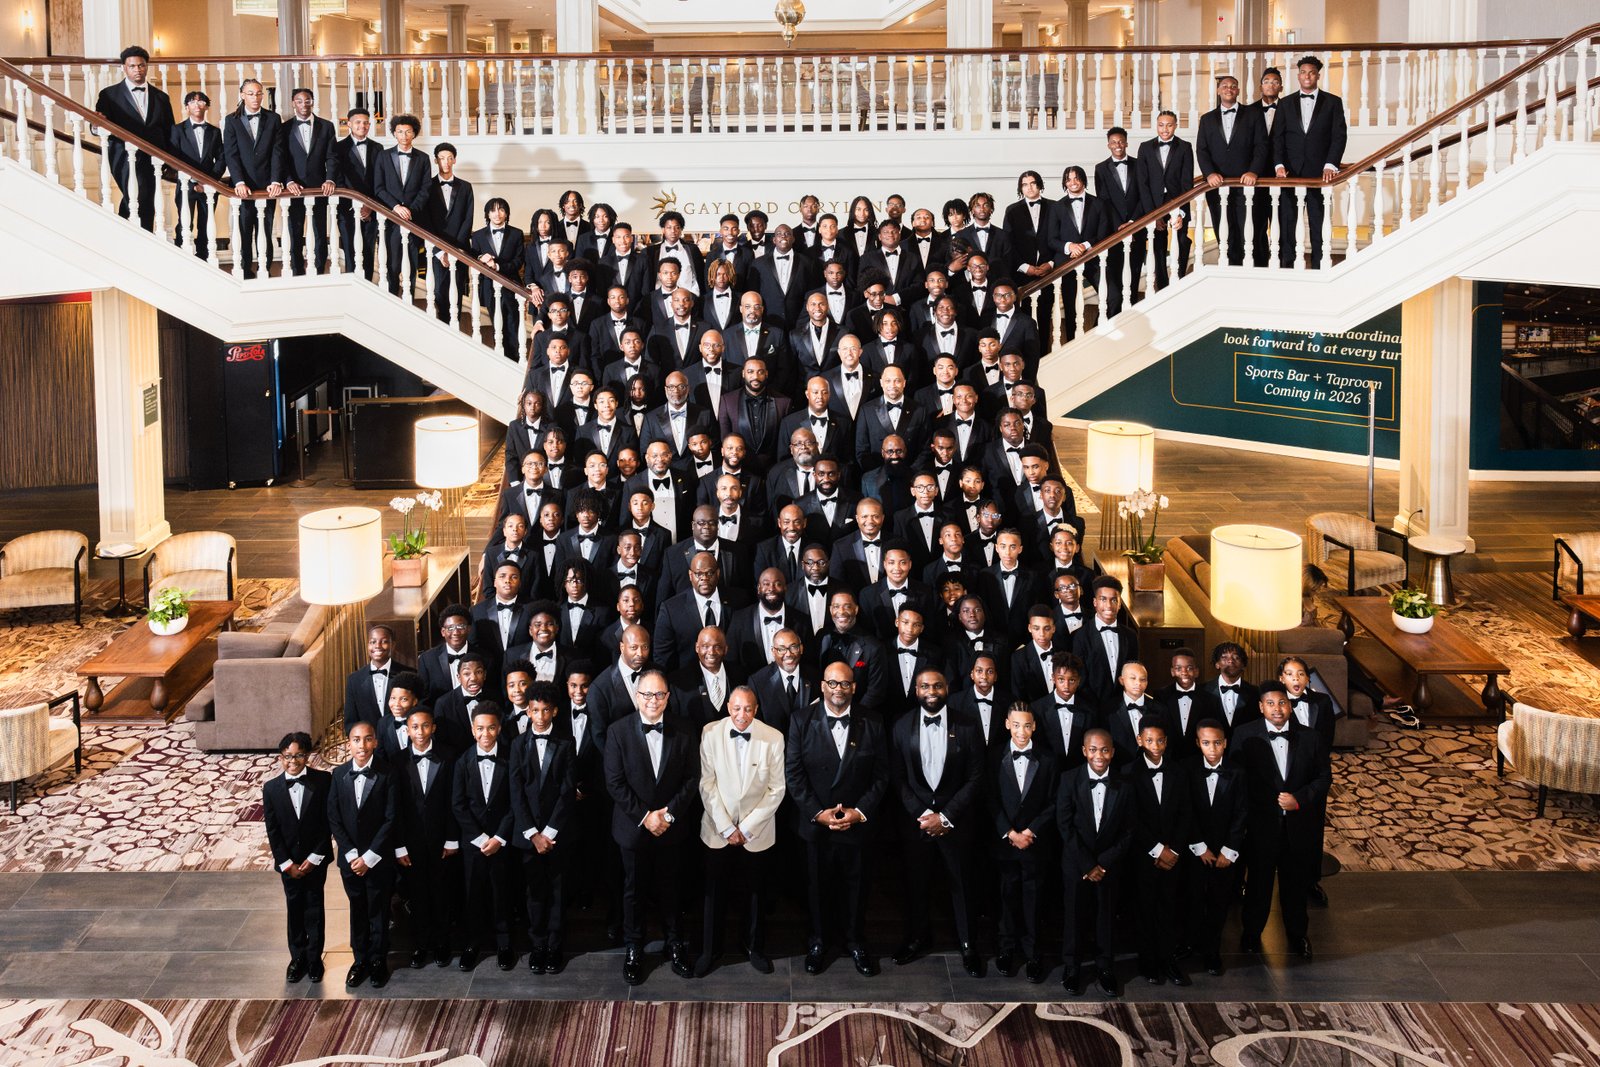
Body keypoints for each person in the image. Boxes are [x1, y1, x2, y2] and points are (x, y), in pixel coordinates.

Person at [786, 661, 889, 977]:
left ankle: (855, 942)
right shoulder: (801, 720)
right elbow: (794, 774)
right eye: (832, 683)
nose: (838, 689)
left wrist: (859, 812)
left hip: (856, 825)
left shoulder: (873, 721)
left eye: (845, 683)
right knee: (816, 888)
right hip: (817, 825)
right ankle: (818, 942)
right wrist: (818, 813)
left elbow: (881, 775)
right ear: (822, 686)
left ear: (854, 687)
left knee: (857, 888)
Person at [605, 669, 701, 985]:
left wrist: (668, 815)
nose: (653, 700)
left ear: (668, 697)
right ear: (637, 697)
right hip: (633, 829)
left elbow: (692, 778)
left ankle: (675, 944)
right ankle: (634, 948)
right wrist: (646, 817)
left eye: (659, 694)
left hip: (671, 828)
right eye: (647, 694)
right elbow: (615, 782)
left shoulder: (685, 730)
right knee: (633, 891)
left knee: (671, 888)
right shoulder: (617, 731)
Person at [889, 668, 986, 977]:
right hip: (916, 823)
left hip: (956, 821)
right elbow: (898, 778)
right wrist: (922, 815)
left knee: (962, 885)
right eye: (925, 686)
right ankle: (917, 938)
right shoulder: (901, 725)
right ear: (916, 690)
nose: (931, 691)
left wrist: (945, 816)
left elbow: (976, 777)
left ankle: (968, 944)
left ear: (947, 689)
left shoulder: (968, 725)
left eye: (937, 686)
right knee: (916, 883)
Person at [1232, 682, 1331, 960]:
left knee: (1295, 886)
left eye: (1282, 703)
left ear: (1289, 705)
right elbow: (1237, 781)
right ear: (1261, 707)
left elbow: (1324, 778)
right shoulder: (1243, 734)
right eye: (1271, 704)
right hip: (1261, 827)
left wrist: (1298, 799)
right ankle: (1251, 934)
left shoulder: (1311, 737)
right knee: (1258, 885)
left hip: (1298, 828)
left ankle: (1298, 935)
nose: (1277, 709)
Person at [695, 685, 787, 975]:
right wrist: (726, 827)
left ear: (756, 709)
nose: (742, 715)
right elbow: (706, 784)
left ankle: (753, 947)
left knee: (755, 893)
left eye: (748, 709)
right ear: (728, 708)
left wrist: (746, 828)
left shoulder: (773, 738)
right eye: (736, 708)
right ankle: (710, 950)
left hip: (757, 831)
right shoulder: (710, 733)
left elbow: (777, 789)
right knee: (713, 892)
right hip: (717, 828)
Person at [1057, 727, 1131, 997]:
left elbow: (1128, 830)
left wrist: (1104, 863)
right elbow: (1064, 824)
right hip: (1077, 863)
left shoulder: (1124, 784)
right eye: (1093, 749)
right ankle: (1072, 967)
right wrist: (1087, 864)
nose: (1099, 755)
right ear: (1084, 751)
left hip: (1109, 864)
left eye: (1104, 750)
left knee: (1105, 915)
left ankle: (1105, 967)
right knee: (1074, 914)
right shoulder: (1069, 779)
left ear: (1112, 753)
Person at [510, 681, 577, 974]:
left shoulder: (566, 742)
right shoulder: (517, 744)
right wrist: (533, 833)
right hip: (528, 836)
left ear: (554, 711)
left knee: (558, 890)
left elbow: (567, 790)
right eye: (535, 710)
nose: (540, 716)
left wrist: (549, 832)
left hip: (557, 834)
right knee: (534, 891)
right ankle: (537, 944)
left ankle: (555, 945)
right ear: (527, 711)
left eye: (545, 710)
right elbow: (515, 792)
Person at [989, 704, 1057, 982]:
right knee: (1006, 896)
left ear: (1034, 727)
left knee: (1034, 899)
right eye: (1016, 725)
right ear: (1007, 724)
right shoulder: (993, 756)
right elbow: (990, 799)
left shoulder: (1048, 759)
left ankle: (1033, 954)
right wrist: (1009, 832)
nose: (1021, 731)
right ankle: (1006, 949)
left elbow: (1054, 801)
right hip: (1005, 842)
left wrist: (1031, 831)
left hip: (1034, 843)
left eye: (1027, 726)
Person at [328, 721, 398, 989]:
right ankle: (359, 960)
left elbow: (391, 818)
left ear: (375, 742)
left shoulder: (388, 773)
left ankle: (379, 961)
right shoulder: (338, 774)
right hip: (350, 861)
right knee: (357, 909)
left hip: (377, 859)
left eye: (368, 739)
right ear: (349, 743)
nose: (362, 745)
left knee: (378, 910)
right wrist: (351, 854)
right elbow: (334, 818)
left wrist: (368, 857)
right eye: (356, 740)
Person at [391, 706, 460, 970]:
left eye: (425, 726)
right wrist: (399, 846)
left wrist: (452, 839)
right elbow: (395, 808)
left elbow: (454, 801)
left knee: (441, 891)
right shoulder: (397, 761)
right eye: (415, 727)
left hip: (441, 839)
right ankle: (421, 944)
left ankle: (442, 943)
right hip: (411, 842)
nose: (420, 732)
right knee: (417, 894)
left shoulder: (449, 756)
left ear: (434, 728)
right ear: (407, 730)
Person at [261, 731, 332, 984]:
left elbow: (328, 823)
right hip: (289, 864)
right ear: (281, 758)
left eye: (299, 755)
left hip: (315, 861)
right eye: (288, 756)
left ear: (308, 756)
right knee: (294, 908)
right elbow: (273, 831)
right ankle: (297, 958)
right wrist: (286, 863)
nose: (293, 761)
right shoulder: (271, 788)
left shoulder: (323, 781)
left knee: (314, 908)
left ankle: (314, 959)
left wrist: (315, 857)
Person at [451, 707, 518, 971]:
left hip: (502, 840)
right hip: (474, 842)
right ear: (472, 730)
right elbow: (458, 805)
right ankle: (472, 943)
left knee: (502, 891)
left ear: (499, 728)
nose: (485, 733)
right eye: (480, 728)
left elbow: (515, 802)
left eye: (491, 727)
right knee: (473, 893)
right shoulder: (462, 762)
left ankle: (505, 943)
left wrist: (499, 837)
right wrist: (480, 839)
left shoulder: (511, 758)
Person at [1127, 717, 1193, 987]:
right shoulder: (1129, 773)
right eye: (1149, 740)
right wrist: (1156, 850)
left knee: (1169, 907)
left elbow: (1186, 813)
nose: (1155, 745)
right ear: (1140, 740)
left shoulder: (1178, 771)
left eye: (1160, 740)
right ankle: (1148, 961)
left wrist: (1173, 849)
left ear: (1166, 742)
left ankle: (1168, 959)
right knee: (1144, 908)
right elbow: (1131, 818)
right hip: (1143, 855)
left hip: (1173, 855)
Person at [1273, 55, 1348, 268]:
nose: (1307, 76)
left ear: (1318, 76)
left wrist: (1330, 164)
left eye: (1312, 73)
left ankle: (1319, 267)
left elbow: (1339, 136)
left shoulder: (1333, 102)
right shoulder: (1285, 103)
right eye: (1304, 72)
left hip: (1319, 176)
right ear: (1298, 76)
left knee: (1319, 224)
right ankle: (1287, 268)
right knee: (1287, 224)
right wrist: (1279, 164)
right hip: (1289, 175)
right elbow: (1277, 137)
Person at [1186, 720, 1247, 976]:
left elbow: (1241, 813)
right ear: (1198, 743)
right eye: (1206, 743)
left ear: (1225, 743)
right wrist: (1199, 847)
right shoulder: (1187, 769)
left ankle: (1213, 950)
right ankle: (1190, 943)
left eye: (1217, 743)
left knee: (1219, 901)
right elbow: (1185, 811)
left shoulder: (1238, 772)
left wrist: (1229, 850)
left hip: (1224, 852)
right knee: (1192, 898)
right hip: (1195, 850)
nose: (1212, 748)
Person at [94, 45, 174, 232]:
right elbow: (99, 124)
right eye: (132, 66)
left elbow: (169, 129)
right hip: (123, 156)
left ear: (146, 67)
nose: (137, 70)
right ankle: (131, 234)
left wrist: (171, 160)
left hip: (153, 157)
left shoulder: (161, 97)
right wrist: (96, 125)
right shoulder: (109, 95)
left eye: (141, 65)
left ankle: (137, 235)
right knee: (137, 194)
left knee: (148, 198)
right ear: (124, 68)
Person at [1197, 74, 1269, 267]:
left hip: (1247, 185)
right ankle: (1228, 269)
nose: (1228, 89)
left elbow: (1261, 145)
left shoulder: (1253, 114)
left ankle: (1251, 270)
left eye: (1233, 86)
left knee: (1249, 230)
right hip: (1217, 186)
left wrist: (1254, 171)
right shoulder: (1206, 119)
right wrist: (1209, 173)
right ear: (1218, 90)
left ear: (1238, 90)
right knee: (1223, 231)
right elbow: (1202, 150)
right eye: (1225, 86)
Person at [221, 78, 285, 279]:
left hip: (267, 186)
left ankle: (265, 269)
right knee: (244, 230)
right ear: (242, 95)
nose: (255, 97)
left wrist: (275, 180)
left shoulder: (273, 119)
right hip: (243, 187)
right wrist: (239, 181)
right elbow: (231, 154)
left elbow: (277, 152)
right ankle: (245, 271)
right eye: (250, 93)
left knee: (266, 230)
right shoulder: (231, 120)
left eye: (258, 93)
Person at [372, 114, 432, 297]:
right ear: (394, 133)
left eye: (408, 132)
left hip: (414, 220)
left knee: (412, 263)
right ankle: (391, 298)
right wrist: (396, 207)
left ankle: (409, 299)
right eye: (400, 132)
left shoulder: (423, 158)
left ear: (414, 134)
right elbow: (379, 188)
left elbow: (425, 189)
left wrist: (411, 210)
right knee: (392, 264)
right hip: (391, 220)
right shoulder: (383, 156)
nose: (404, 135)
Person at [282, 87, 339, 276]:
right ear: (293, 103)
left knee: (320, 232)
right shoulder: (284, 128)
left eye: (307, 100)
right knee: (295, 233)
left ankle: (320, 271)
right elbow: (281, 158)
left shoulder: (327, 126)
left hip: (319, 188)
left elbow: (332, 156)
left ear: (312, 102)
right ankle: (297, 272)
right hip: (294, 190)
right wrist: (289, 181)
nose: (304, 104)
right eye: (299, 101)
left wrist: (330, 179)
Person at [1137, 109, 1196, 290]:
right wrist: (1152, 214)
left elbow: (1186, 182)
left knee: (1182, 239)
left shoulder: (1185, 147)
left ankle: (1179, 277)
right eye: (1161, 125)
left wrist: (1181, 211)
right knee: (1158, 244)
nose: (1165, 129)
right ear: (1156, 125)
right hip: (1154, 204)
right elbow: (1142, 183)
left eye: (1169, 125)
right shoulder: (1145, 147)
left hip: (1177, 200)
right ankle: (1162, 286)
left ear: (1175, 126)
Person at [1092, 127, 1145, 315]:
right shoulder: (1100, 169)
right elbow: (1103, 200)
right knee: (1115, 276)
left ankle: (1132, 316)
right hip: (1113, 233)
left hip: (1137, 228)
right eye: (1114, 142)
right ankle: (1116, 318)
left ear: (1126, 143)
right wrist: (1119, 227)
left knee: (1134, 274)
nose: (1118, 145)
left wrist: (1132, 222)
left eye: (1121, 141)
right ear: (1108, 145)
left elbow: (1143, 196)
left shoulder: (1139, 164)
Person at [167, 91, 225, 259]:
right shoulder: (177, 129)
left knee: (206, 224)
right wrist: (192, 180)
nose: (197, 105)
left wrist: (209, 181)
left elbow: (222, 158)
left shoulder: (215, 131)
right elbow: (173, 158)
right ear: (187, 107)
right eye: (192, 102)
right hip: (186, 185)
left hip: (208, 186)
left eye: (201, 102)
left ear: (206, 106)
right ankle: (180, 257)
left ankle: (203, 258)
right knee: (185, 223)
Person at [426, 141, 476, 322]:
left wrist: (454, 251)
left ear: (454, 160)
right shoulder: (427, 186)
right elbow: (426, 221)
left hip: (459, 250)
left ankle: (456, 328)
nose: (445, 162)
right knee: (439, 294)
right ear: (435, 161)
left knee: (458, 293)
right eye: (441, 158)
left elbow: (468, 220)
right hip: (436, 251)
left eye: (449, 158)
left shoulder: (466, 187)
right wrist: (440, 251)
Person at [333, 107, 381, 279]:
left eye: (366, 123)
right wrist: (357, 205)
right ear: (349, 124)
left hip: (371, 210)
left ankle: (367, 285)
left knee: (369, 252)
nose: (363, 126)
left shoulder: (378, 148)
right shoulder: (338, 148)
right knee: (350, 251)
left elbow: (379, 181)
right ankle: (352, 287)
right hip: (348, 209)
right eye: (358, 122)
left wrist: (370, 205)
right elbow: (338, 179)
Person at [343, 623, 413, 734]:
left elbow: (417, 714)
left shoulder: (409, 675)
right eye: (373, 642)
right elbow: (350, 722)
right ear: (367, 645)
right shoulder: (354, 680)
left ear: (393, 645)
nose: (378, 646)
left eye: (384, 641)